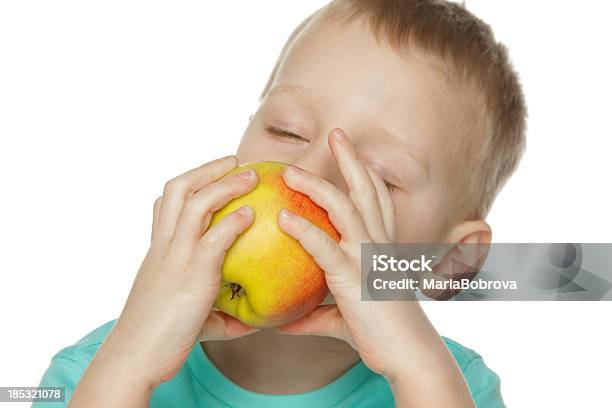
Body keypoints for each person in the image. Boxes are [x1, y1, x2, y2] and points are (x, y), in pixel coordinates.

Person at [35, 0, 526, 406]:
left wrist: (416, 366)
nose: (308, 174)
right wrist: (130, 363)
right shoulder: (92, 374)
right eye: (285, 131)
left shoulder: (456, 388)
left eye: (377, 175)